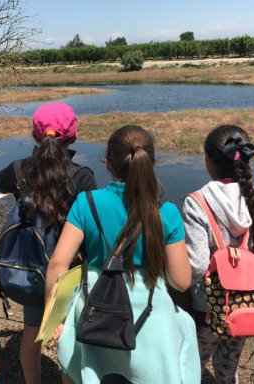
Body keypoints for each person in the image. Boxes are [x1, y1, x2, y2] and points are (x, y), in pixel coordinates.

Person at [45, 125, 201, 384]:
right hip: (151, 318)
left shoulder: (87, 203)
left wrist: (56, 319)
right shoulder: (167, 212)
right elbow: (181, 281)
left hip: (94, 310)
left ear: (107, 163)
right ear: (152, 163)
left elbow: (57, 265)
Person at [0, 102, 97, 384]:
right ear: (73, 135)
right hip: (71, 271)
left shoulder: (19, 171)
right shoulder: (82, 177)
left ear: (36, 135)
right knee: (69, 335)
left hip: (33, 268)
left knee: (31, 332)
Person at [182, 124, 254, 384]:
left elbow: (195, 265)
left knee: (193, 365)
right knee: (228, 369)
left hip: (207, 307)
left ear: (209, 161)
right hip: (245, 306)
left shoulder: (197, 201)